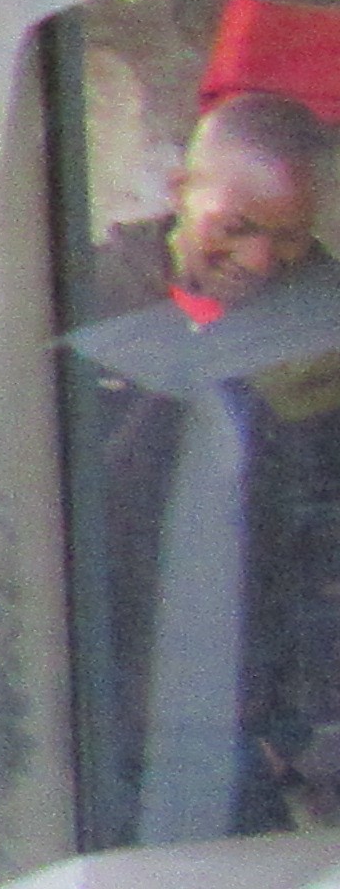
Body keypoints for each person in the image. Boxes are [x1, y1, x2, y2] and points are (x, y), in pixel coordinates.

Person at [64, 93, 340, 844]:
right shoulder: (77, 305)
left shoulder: (323, 335)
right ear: (181, 191)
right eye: (235, 228)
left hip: (256, 732)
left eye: (288, 239)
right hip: (85, 720)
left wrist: (302, 735)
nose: (258, 261)